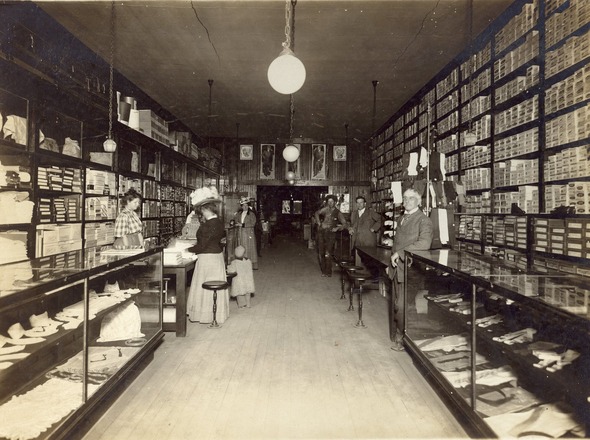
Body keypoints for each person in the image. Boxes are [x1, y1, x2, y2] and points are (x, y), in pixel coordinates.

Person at [388, 188, 433, 351]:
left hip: (411, 270)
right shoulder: (401, 218)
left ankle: (403, 339)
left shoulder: (423, 220)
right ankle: (400, 336)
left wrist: (399, 253)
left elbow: (424, 244)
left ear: (419, 201)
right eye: (405, 198)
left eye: (411, 198)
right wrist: (390, 263)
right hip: (396, 268)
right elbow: (397, 242)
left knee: (402, 306)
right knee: (396, 304)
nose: (406, 201)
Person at [186, 186, 230, 324]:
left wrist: (187, 250)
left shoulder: (209, 225)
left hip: (207, 259)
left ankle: (205, 315)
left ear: (206, 210)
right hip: (216, 258)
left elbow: (202, 245)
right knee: (212, 287)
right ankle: (213, 314)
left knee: (204, 286)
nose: (201, 214)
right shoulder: (218, 222)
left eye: (202, 211)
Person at [314, 194, 347, 277]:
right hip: (321, 232)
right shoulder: (325, 209)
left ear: (335, 202)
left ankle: (328, 272)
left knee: (328, 252)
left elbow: (344, 224)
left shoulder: (338, 212)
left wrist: (337, 229)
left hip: (331, 234)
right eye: (329, 201)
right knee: (321, 252)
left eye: (332, 201)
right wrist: (319, 223)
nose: (330, 203)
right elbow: (317, 213)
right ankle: (323, 271)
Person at [349, 195, 382, 278]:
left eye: (361, 202)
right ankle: (360, 277)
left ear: (365, 204)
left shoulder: (370, 212)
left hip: (368, 240)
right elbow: (352, 225)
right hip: (357, 240)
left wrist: (374, 228)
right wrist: (350, 228)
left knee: (370, 260)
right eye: (358, 203)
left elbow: (380, 219)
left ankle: (374, 277)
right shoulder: (353, 213)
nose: (359, 204)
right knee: (358, 259)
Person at [232, 196, 259, 269]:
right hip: (240, 232)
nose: (245, 207)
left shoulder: (251, 214)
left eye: (246, 205)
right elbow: (235, 220)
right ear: (241, 206)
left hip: (249, 233)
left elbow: (253, 223)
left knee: (249, 248)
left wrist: (242, 225)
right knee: (241, 247)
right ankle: (242, 263)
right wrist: (234, 223)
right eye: (244, 205)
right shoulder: (239, 213)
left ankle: (250, 264)